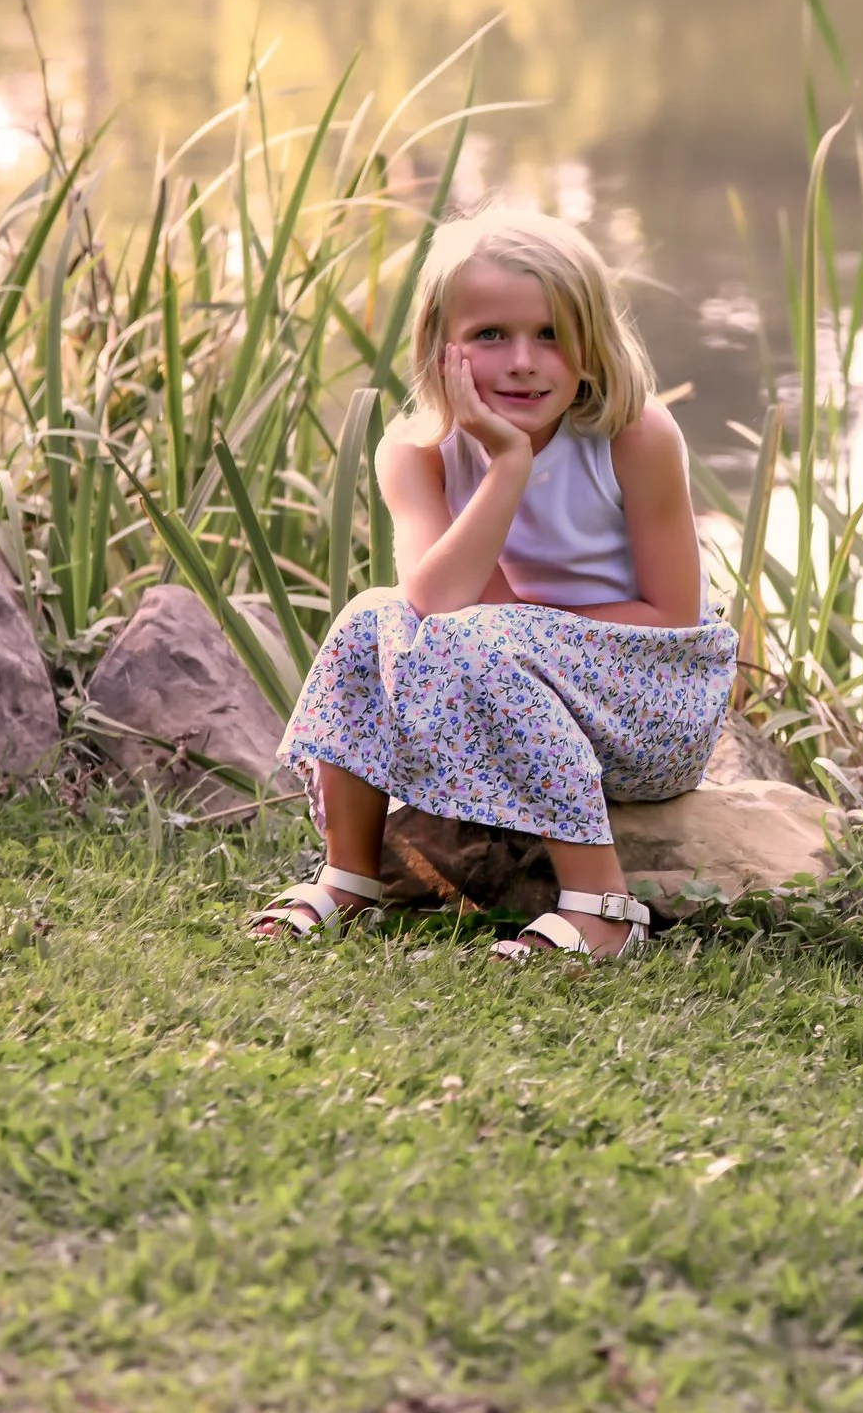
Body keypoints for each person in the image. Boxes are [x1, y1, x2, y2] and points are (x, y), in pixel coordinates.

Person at [258, 208, 737, 958]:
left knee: (481, 636)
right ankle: (351, 874)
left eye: (550, 333)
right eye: (490, 336)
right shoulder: (415, 453)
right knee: (366, 616)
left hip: (655, 699)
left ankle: (603, 907)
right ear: (439, 347)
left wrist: (519, 625)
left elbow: (675, 615)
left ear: (591, 341)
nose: (522, 360)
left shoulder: (634, 434)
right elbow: (432, 599)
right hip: (506, 677)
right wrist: (507, 466)